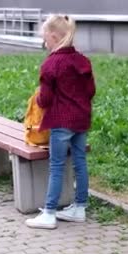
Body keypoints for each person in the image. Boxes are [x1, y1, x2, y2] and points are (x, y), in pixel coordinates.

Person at [25, 14, 97, 230]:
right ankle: (79, 208)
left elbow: (45, 100)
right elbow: (90, 91)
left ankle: (49, 213)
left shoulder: (51, 64)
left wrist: (38, 97)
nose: (44, 43)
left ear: (54, 37)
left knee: (56, 166)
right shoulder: (82, 61)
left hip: (62, 122)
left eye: (45, 38)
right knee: (80, 162)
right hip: (81, 119)